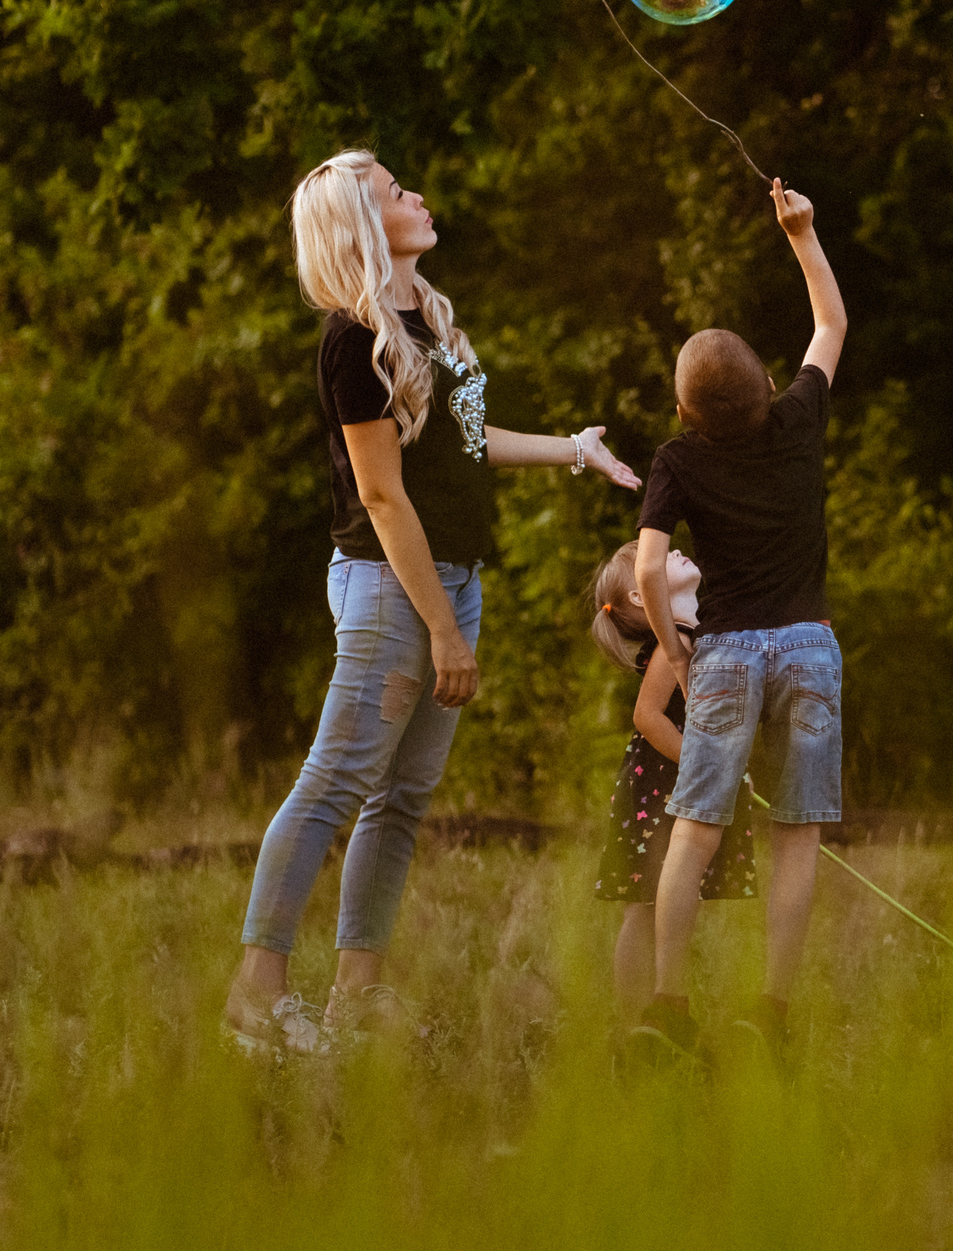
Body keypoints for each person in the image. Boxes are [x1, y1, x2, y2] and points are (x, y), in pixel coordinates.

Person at [221, 149, 644, 1056]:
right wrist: (444, 631)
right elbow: (381, 497)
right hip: (390, 588)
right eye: (390, 189)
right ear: (363, 225)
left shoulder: (436, 320)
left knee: (401, 798)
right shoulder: (350, 337)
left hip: (454, 576)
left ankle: (356, 998)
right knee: (335, 783)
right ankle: (255, 997)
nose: (415, 191)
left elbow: (468, 439)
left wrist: (574, 449)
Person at [633, 177, 847, 1066]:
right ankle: (772, 1008)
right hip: (807, 646)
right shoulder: (798, 420)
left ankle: (666, 1005)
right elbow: (830, 325)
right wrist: (799, 233)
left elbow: (648, 567)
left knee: (696, 826)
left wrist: (676, 650)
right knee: (796, 835)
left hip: (719, 652)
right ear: (767, 382)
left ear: (686, 410)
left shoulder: (677, 457)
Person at [585, 538, 758, 1019]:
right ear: (642, 594)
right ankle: (634, 1023)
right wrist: (704, 763)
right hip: (660, 783)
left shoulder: (694, 631)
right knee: (644, 905)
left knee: (663, 900)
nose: (676, 550)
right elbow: (647, 716)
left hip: (679, 776)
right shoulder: (675, 641)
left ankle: (654, 1012)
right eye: (656, 552)